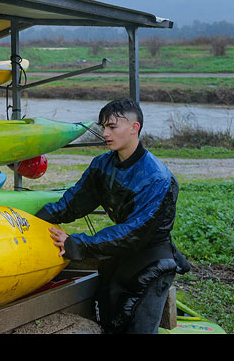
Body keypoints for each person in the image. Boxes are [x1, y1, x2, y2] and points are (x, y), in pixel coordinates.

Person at [34, 98, 190, 334]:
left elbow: (136, 231)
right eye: (103, 127)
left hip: (152, 258)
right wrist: (37, 219)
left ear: (134, 128)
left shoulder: (157, 177)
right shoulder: (102, 165)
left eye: (112, 127)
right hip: (120, 253)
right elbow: (73, 202)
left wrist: (79, 243)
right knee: (110, 320)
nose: (105, 133)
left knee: (140, 329)